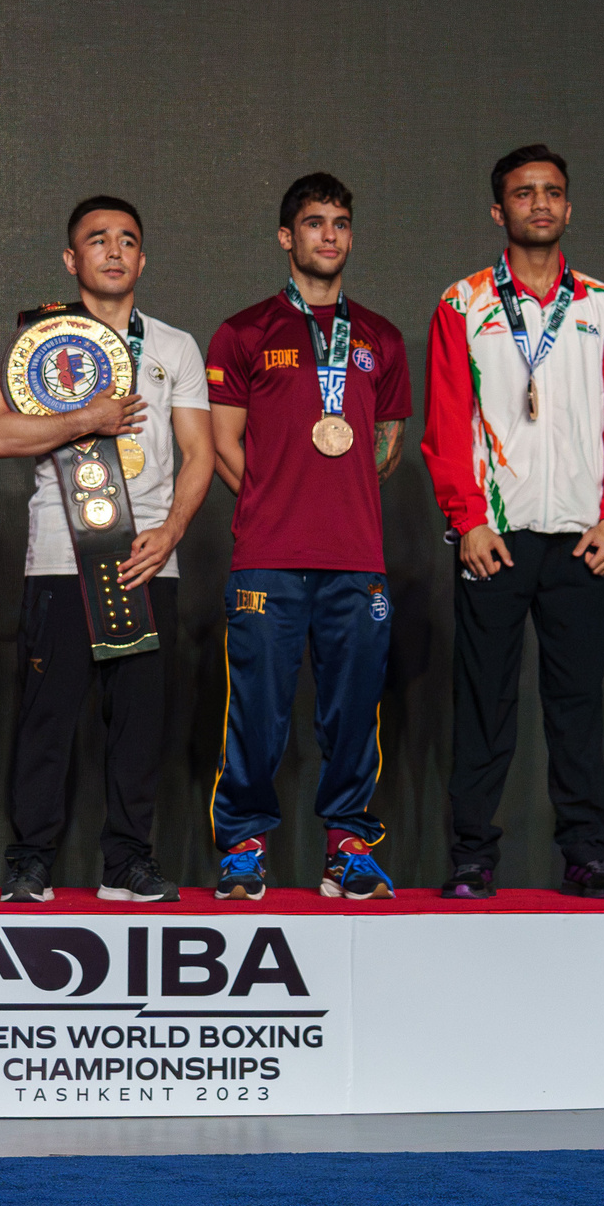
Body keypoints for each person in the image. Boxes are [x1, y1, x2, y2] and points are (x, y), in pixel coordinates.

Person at [0, 196, 214, 903]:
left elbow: (200, 453)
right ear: (71, 258)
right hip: (59, 553)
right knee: (48, 717)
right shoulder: (40, 341)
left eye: (128, 241)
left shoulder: (174, 346)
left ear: (143, 258)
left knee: (139, 723)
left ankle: (127, 864)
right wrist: (87, 417)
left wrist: (172, 530)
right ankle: (31, 863)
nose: (113, 251)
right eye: (96, 239)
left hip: (148, 556)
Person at [421, 144, 604, 900]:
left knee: (577, 706)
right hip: (495, 539)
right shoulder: (462, 303)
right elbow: (446, 424)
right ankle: (473, 854)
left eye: (552, 192)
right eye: (523, 193)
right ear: (498, 210)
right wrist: (468, 518)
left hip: (582, 538)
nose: (539, 203)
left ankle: (587, 853)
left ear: (569, 206)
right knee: (484, 702)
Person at [205, 173, 414, 901]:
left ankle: (347, 847)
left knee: (354, 712)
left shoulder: (381, 337)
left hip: (356, 559)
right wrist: (273, 499)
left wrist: (339, 490)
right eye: (315, 222)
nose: (330, 235)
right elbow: (225, 442)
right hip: (267, 555)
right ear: (286, 237)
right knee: (257, 713)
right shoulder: (244, 331)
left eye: (342, 223)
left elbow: (386, 446)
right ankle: (243, 846)